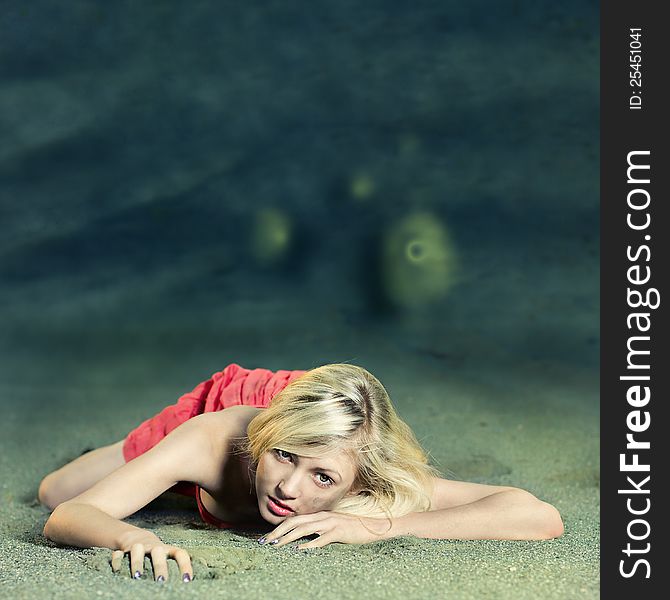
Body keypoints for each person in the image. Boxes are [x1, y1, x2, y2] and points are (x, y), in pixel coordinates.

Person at [40, 362, 563, 583]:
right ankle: (150, 461)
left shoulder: (366, 473)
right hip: (225, 414)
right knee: (54, 487)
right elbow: (67, 513)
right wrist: (131, 533)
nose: (289, 488)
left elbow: (538, 516)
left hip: (322, 426)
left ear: (356, 481)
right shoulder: (213, 437)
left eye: (323, 480)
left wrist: (377, 525)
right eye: (284, 458)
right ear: (268, 443)